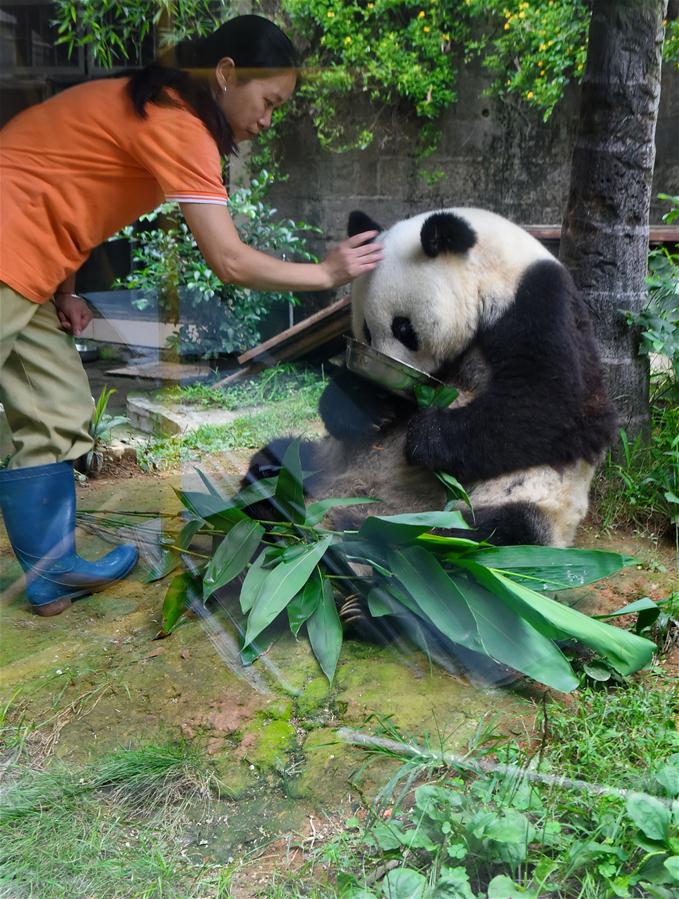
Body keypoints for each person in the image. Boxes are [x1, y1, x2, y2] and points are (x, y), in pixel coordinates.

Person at [0, 14, 383, 617]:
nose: (268, 119)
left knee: (57, 411)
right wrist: (326, 273)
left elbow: (69, 192)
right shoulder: (179, 123)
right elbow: (228, 260)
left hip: (30, 261)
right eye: (269, 102)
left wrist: (66, 289)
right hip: (8, 248)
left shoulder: (165, 109)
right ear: (226, 74)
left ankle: (51, 575)